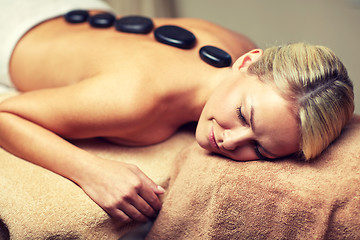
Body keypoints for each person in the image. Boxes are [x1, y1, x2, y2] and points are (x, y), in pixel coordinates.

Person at [0, 0, 354, 223]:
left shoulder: (241, 48)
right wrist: (91, 170)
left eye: (259, 149)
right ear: (248, 62)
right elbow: (7, 116)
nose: (231, 141)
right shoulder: (133, 100)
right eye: (245, 116)